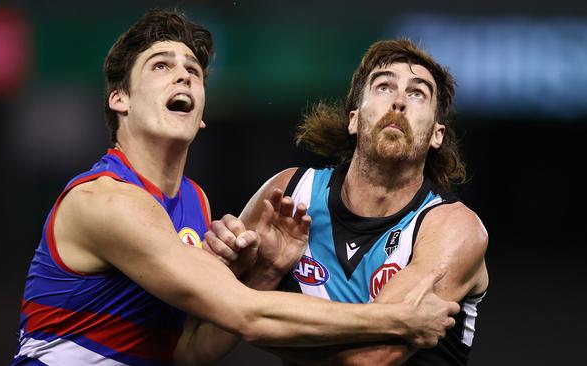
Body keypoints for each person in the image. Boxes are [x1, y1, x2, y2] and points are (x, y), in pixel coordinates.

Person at [10, 11, 460, 366]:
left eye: (193, 71)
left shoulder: (194, 202)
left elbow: (190, 351)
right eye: (161, 66)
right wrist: (397, 319)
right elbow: (244, 313)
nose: (183, 76)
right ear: (119, 99)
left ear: (202, 110)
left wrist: (265, 273)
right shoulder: (104, 200)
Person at [206, 39, 489, 365]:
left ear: (437, 135)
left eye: (417, 93)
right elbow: (204, 340)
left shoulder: (454, 228)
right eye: (384, 87)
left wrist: (253, 316)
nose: (398, 101)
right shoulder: (290, 193)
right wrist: (266, 274)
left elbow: (371, 357)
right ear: (354, 118)